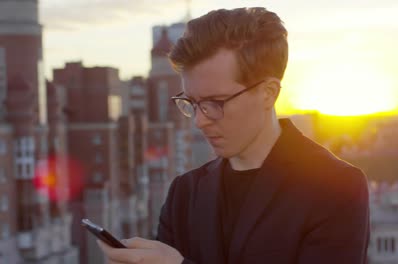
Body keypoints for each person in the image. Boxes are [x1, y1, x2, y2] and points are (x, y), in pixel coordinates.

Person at [98, 7, 370, 264]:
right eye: (191, 103)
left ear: (268, 93)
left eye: (215, 103)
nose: (200, 121)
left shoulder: (336, 187)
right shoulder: (185, 192)